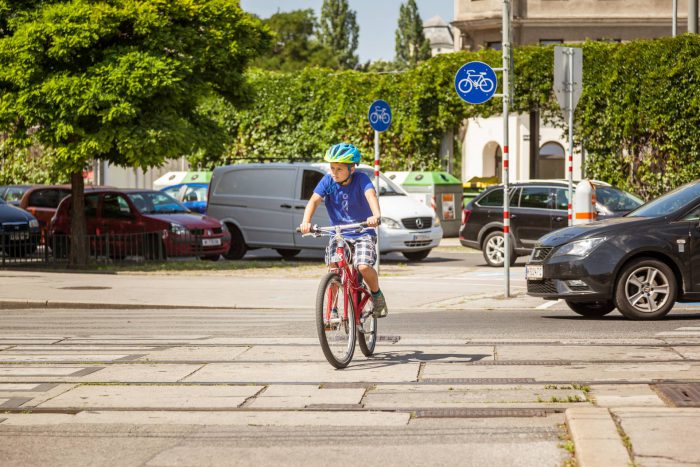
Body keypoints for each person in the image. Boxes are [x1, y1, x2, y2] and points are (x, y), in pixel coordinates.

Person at [299, 143, 388, 318]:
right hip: (339, 233)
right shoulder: (328, 181)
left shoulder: (361, 179)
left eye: (339, 169)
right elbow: (314, 201)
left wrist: (376, 215)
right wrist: (306, 222)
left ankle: (377, 296)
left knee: (362, 266)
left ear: (352, 168)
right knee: (334, 267)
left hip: (362, 232)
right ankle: (332, 310)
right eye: (332, 167)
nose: (334, 172)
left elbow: (370, 195)